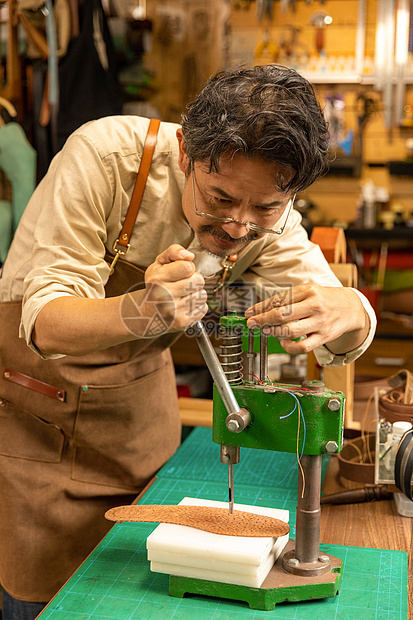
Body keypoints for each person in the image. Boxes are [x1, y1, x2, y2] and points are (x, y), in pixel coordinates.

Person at [0, 64, 375, 618]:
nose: (239, 227)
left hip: (138, 426)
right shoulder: (107, 158)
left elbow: (337, 324)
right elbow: (47, 322)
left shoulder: (269, 219)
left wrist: (353, 307)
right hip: (41, 426)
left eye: (266, 208)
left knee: (145, 597)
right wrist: (141, 312)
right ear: (184, 151)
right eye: (219, 198)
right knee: (49, 603)